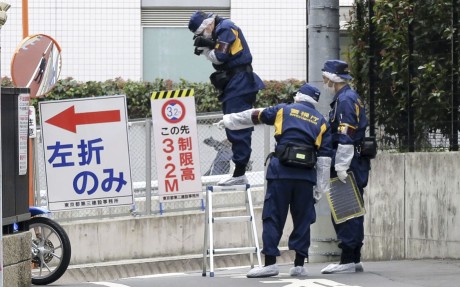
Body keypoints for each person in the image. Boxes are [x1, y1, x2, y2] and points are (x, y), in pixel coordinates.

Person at [216, 83, 333, 278]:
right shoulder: (322, 122)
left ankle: (270, 263)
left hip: (281, 174)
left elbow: (254, 115)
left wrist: (229, 121)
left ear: (298, 97)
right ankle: (299, 265)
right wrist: (320, 189)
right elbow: (324, 159)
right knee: (303, 220)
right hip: (305, 178)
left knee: (273, 217)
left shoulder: (284, 110)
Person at [188, 11, 265, 186]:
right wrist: (209, 46)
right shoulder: (219, 30)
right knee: (233, 125)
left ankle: (239, 172)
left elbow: (219, 57)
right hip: (235, 83)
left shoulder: (226, 27)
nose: (202, 36)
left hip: (240, 82)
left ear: (207, 25)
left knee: (238, 125)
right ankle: (239, 171)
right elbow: (218, 59)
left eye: (201, 34)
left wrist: (208, 46)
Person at [319, 60, 371, 274]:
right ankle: (353, 258)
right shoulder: (349, 97)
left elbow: (346, 135)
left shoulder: (346, 100)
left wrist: (341, 166)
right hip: (355, 161)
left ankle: (347, 259)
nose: (323, 80)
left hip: (349, 162)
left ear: (332, 78)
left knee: (345, 210)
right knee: (352, 209)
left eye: (325, 76)